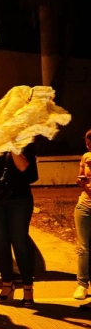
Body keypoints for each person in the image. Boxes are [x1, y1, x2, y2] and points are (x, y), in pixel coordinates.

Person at [0, 144, 38, 307]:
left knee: (20, 243)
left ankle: (28, 288)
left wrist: (12, 146)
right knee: (1, 245)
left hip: (19, 200)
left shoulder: (25, 143)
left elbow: (24, 168)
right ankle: (7, 285)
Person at [74, 129, 91, 302]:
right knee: (83, 248)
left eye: (90, 143)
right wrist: (81, 182)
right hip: (84, 206)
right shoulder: (86, 157)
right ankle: (82, 284)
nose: (88, 147)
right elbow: (79, 178)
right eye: (87, 143)